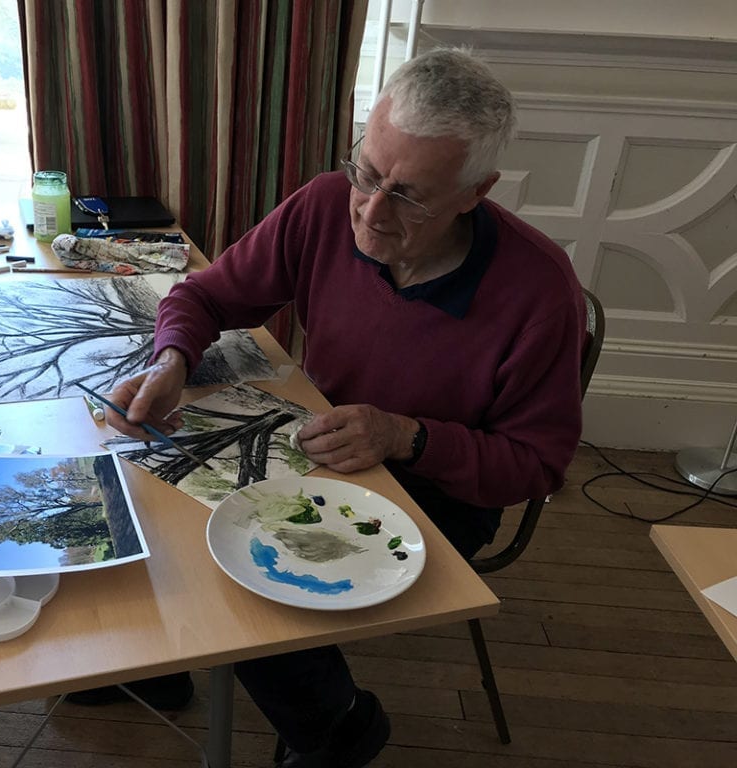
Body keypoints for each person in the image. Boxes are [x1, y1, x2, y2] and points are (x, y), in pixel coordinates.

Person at [102, 48, 587, 768]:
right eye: (366, 172)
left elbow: (537, 466)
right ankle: (161, 668)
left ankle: (341, 729)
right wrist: (172, 359)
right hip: (316, 445)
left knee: (258, 587)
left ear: (474, 192)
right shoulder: (325, 204)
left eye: (409, 196)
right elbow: (206, 295)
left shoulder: (538, 289)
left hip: (439, 487)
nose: (370, 209)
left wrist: (407, 437)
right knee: (147, 495)